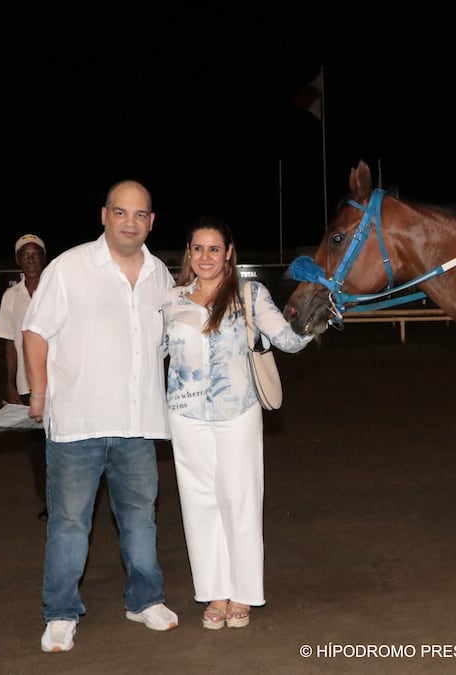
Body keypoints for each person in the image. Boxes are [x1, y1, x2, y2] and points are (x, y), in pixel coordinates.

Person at [22, 180, 178, 653]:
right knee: (70, 524)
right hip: (77, 426)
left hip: (137, 427)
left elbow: (172, 344)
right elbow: (35, 332)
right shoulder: (68, 268)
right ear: (104, 216)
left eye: (140, 214)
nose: (131, 222)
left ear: (151, 222)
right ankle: (61, 613)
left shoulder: (161, 276)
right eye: (121, 212)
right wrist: (39, 394)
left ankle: (145, 600)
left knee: (140, 520)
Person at [161, 217, 312, 630]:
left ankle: (244, 592)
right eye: (198, 249)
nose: (205, 257)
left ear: (229, 252)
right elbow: (147, 354)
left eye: (214, 248)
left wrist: (318, 311)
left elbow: (290, 341)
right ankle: (215, 593)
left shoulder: (249, 294)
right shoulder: (171, 300)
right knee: (198, 505)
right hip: (185, 416)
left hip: (237, 412)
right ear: (188, 255)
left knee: (240, 501)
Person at [0, 233, 49, 520]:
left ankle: (66, 499)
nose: (30, 260)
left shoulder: (55, 291)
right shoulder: (10, 297)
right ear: (18, 260)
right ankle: (47, 499)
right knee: (36, 448)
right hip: (27, 386)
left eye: (35, 254)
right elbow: (9, 342)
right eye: (25, 256)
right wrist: (9, 380)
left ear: (43, 257)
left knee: (64, 445)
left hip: (58, 382)